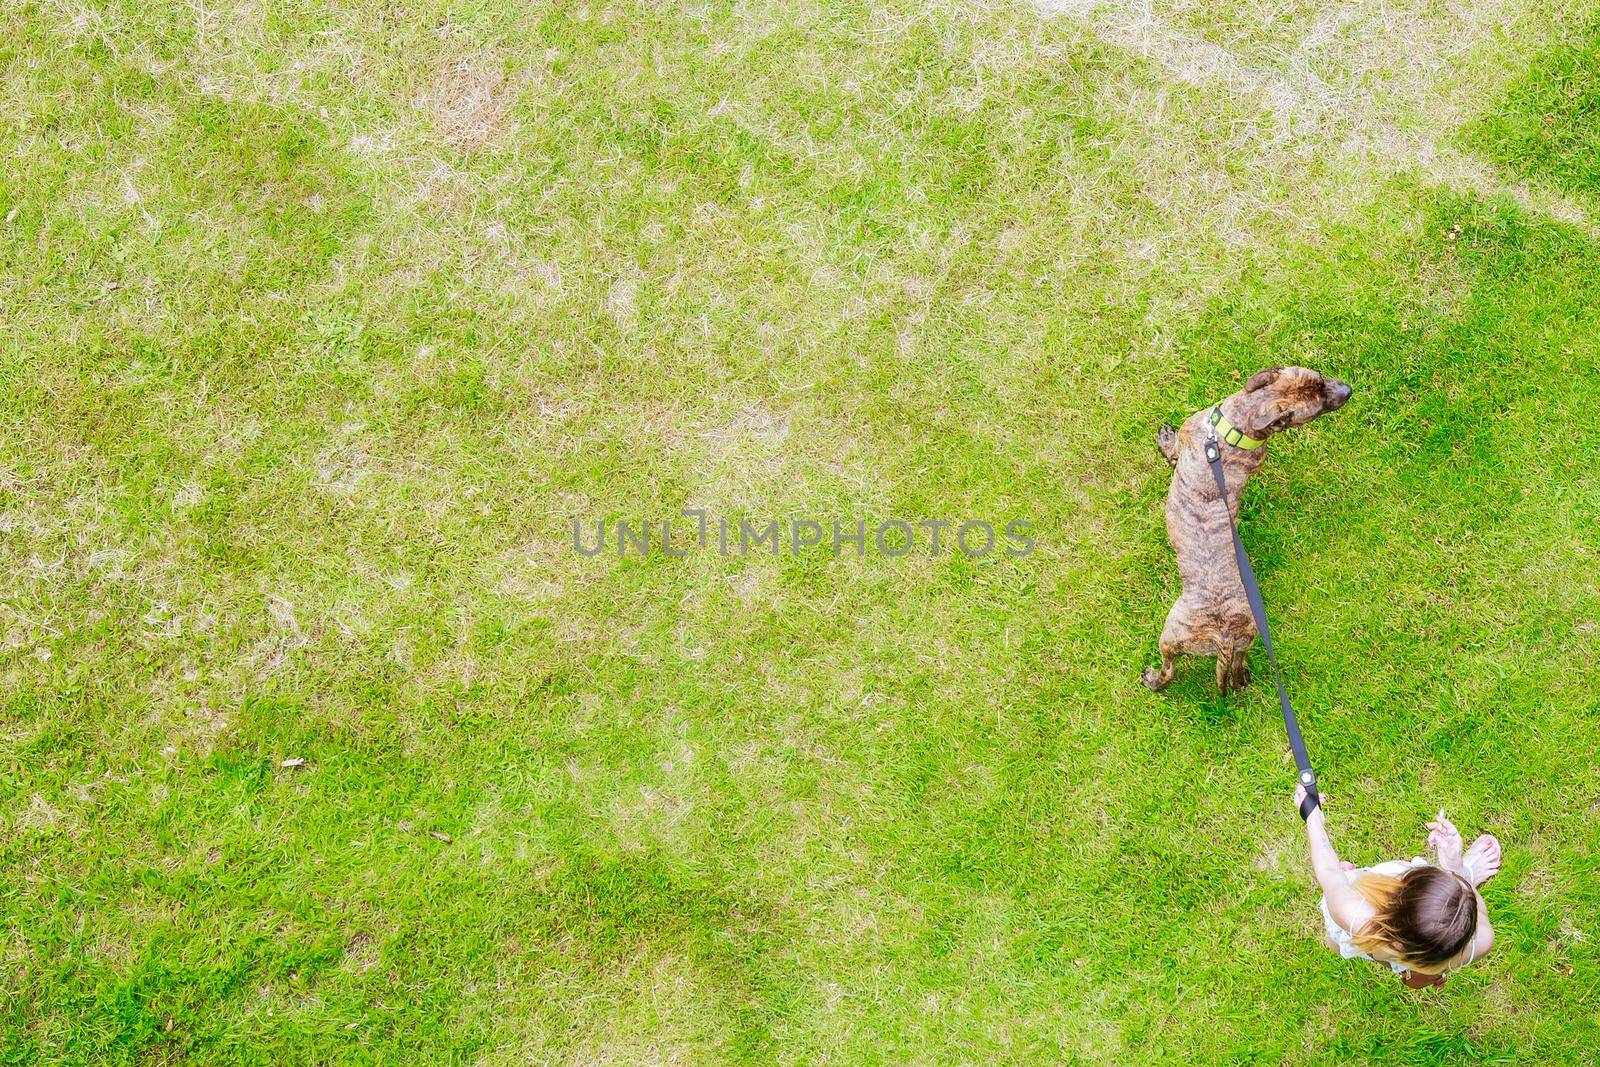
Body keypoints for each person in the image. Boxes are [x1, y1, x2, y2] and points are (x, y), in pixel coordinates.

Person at [1297, 785, 1499, 988]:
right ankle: (1468, 873)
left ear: (1401, 893)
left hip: (1363, 921)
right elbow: (1475, 910)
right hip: (1410, 955)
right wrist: (1457, 869)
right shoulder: (1480, 941)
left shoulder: (1359, 917)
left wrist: (1312, 815)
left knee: (1336, 938)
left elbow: (1329, 872)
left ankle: (1353, 880)